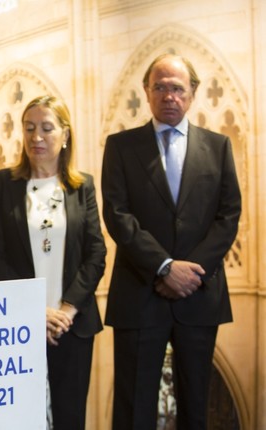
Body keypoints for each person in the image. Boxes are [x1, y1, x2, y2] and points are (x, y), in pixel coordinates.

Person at [101, 53, 241, 429]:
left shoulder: (219, 147)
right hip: (139, 293)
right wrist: (164, 267)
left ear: (192, 93)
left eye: (177, 88)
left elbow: (228, 216)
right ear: (146, 92)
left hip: (199, 293)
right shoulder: (121, 146)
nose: (169, 96)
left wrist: (191, 272)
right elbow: (117, 214)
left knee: (197, 406)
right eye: (159, 87)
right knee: (133, 411)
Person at [0, 95, 106, 429]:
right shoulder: (0, 185)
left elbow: (96, 255)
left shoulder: (82, 186)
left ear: (65, 135)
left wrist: (65, 310)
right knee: (21, 419)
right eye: (30, 128)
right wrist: (36, 309)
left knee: (70, 418)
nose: (37, 137)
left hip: (72, 325)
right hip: (19, 321)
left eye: (47, 128)